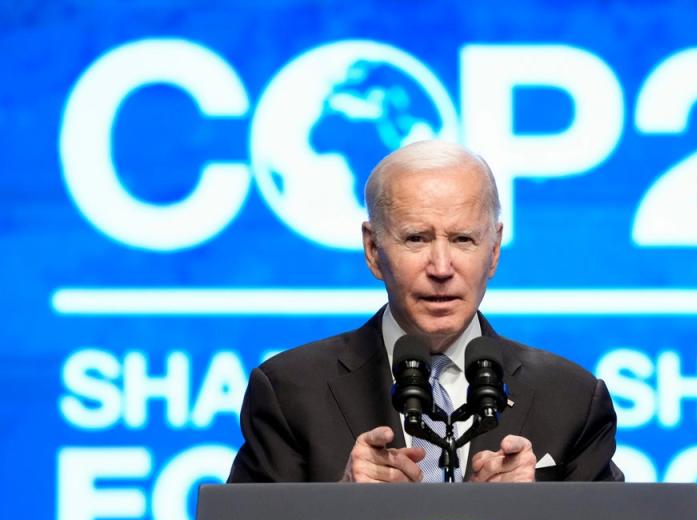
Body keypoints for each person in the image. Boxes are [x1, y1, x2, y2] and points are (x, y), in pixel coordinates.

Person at [228, 140, 623, 483]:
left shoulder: (571, 399)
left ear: (494, 250)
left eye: (463, 239)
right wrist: (341, 499)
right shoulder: (290, 393)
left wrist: (531, 514)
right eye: (416, 238)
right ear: (373, 249)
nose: (441, 268)